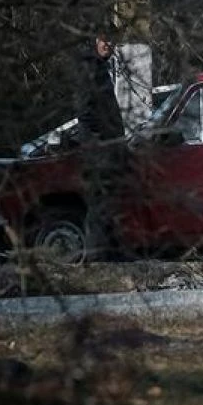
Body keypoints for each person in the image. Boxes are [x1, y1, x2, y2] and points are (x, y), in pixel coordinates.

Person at [72, 28, 126, 259]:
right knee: (99, 203)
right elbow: (85, 111)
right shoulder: (90, 68)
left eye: (112, 40)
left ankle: (107, 253)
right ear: (94, 41)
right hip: (98, 149)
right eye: (105, 40)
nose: (109, 45)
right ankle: (97, 256)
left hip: (103, 147)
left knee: (106, 203)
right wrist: (100, 141)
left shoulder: (99, 67)